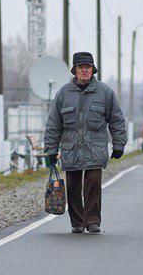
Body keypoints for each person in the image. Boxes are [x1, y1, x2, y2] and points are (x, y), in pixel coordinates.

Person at [43, 52, 127, 234]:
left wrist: (119, 144)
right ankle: (77, 222)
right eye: (81, 68)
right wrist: (51, 149)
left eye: (88, 67)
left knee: (93, 184)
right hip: (70, 148)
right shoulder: (63, 93)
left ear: (92, 70)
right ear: (75, 70)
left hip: (94, 148)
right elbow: (54, 124)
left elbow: (117, 120)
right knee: (73, 187)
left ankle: (93, 221)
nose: (84, 71)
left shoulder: (105, 92)